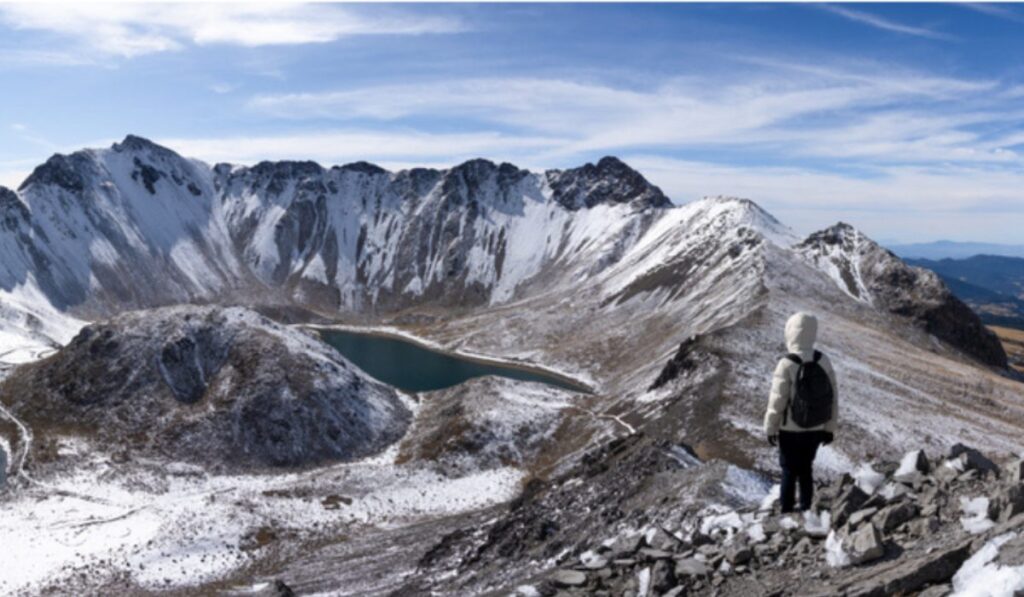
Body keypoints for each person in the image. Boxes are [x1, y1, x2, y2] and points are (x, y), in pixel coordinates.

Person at [763, 312, 838, 513]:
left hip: (790, 429)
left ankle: (786, 510)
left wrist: (770, 428)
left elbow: (777, 400)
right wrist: (829, 428)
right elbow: (833, 397)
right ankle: (806, 508)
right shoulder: (824, 360)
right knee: (806, 469)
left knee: (788, 470)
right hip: (816, 427)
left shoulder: (786, 363)